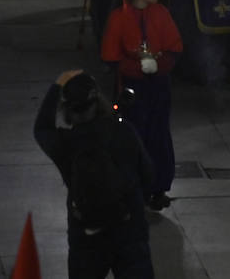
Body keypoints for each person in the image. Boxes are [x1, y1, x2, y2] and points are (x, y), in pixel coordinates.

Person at [34, 69, 155, 279]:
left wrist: (57, 85)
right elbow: (148, 175)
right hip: (129, 228)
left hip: (87, 232)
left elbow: (42, 128)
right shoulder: (124, 131)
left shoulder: (66, 143)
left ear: (68, 110)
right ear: (97, 101)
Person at [100, 0, 182, 212]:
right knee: (134, 137)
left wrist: (159, 64)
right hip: (131, 88)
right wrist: (136, 67)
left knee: (158, 135)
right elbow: (111, 57)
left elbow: (174, 48)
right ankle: (133, 187)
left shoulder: (161, 13)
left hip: (157, 85)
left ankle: (158, 187)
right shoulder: (118, 18)